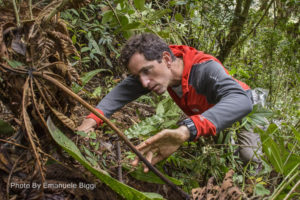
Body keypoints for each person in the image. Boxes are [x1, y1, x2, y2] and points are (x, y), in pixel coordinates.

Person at [77, 33, 262, 173]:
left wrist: (186, 129)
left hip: (245, 110)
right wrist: (89, 122)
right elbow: (120, 94)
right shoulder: (156, 69)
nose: (144, 82)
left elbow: (241, 101)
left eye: (146, 72)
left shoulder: (205, 69)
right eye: (138, 76)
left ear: (166, 59)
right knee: (225, 157)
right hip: (210, 115)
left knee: (247, 156)